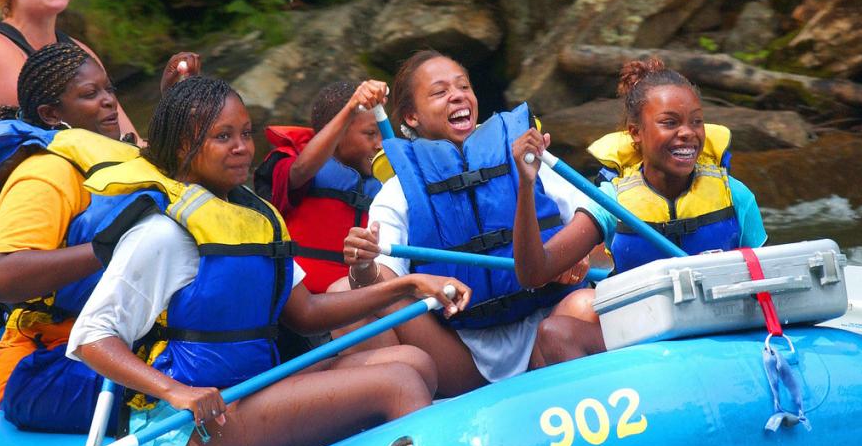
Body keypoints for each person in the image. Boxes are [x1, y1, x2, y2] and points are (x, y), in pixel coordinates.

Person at [66, 75, 469, 446]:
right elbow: (91, 337)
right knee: (397, 383)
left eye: (245, 133)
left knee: (415, 361)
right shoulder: (163, 232)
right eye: (223, 137)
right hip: (185, 426)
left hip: (253, 387)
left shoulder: (255, 220)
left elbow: (307, 312)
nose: (242, 147)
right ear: (186, 147)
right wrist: (177, 392)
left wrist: (407, 286)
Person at [0, 0, 198, 306]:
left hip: (66, 200)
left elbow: (129, 144)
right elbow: (73, 134)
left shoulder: (76, 51)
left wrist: (172, 100)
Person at [342, 51, 594, 397]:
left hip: (546, 328)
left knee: (583, 305)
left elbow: (593, 218)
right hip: (460, 355)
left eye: (463, 86)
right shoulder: (398, 190)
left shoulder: (524, 154)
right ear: (411, 117)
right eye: (440, 92)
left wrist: (574, 252)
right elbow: (378, 281)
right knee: (351, 292)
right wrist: (365, 265)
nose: (458, 95)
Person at [511, 56, 768, 364]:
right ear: (635, 132)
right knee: (556, 333)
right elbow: (533, 273)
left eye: (696, 121)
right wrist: (526, 187)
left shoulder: (734, 195)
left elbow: (771, 281)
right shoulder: (612, 201)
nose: (688, 133)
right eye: (670, 123)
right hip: (639, 347)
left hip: (719, 339)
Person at [0, 42, 145, 431]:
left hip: (117, 346)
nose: (109, 103)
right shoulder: (48, 172)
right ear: (51, 114)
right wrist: (108, 249)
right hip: (45, 360)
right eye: (90, 94)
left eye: (109, 90)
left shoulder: (123, 165)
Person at [255, 80, 387, 294]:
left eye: (382, 133)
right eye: (371, 133)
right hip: (297, 306)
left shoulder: (388, 183)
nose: (381, 143)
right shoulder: (291, 165)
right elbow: (300, 172)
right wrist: (351, 108)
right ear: (336, 132)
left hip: (357, 301)